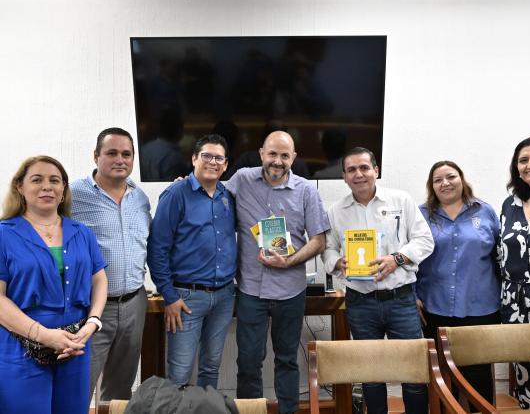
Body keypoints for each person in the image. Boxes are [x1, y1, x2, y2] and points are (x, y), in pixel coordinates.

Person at [323, 147, 434, 414]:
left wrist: (396, 258)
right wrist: (338, 262)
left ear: (376, 170)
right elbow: (328, 248)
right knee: (370, 374)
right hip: (360, 302)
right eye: (351, 170)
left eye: (364, 168)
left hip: (401, 299)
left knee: (413, 372)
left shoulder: (401, 200)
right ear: (344, 177)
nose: (358, 174)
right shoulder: (336, 211)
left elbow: (424, 240)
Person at [225, 130, 330, 414]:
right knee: (248, 361)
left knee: (287, 360)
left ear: (293, 158)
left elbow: (319, 240)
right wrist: (187, 184)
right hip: (250, 291)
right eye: (272, 154)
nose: (278, 161)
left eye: (285, 155)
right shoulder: (242, 179)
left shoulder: (307, 190)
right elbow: (210, 196)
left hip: (290, 291)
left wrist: (291, 260)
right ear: (261, 153)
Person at [0, 156, 108, 414]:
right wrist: (43, 335)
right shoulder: (4, 234)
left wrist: (93, 322)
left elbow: (99, 278)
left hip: (75, 346)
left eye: (54, 180)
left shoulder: (82, 232)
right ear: (20, 187)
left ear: (63, 190)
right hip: (22, 347)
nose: (47, 186)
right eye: (37, 180)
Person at [147, 134, 237, 389]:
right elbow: (157, 249)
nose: (213, 162)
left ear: (226, 164)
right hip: (185, 299)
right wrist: (169, 296)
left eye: (219, 157)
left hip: (224, 296)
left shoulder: (226, 196)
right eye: (207, 156)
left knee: (211, 368)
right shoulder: (176, 194)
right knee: (179, 373)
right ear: (194, 158)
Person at [71, 127, 151, 403]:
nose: (120, 159)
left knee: (119, 389)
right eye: (112, 153)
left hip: (134, 302)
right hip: (91, 307)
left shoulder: (139, 198)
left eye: (126, 154)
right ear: (96, 156)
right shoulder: (73, 195)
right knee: (81, 384)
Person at [415, 160, 501, 403]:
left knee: (479, 375)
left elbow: (500, 256)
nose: (445, 183)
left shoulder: (485, 212)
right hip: (435, 306)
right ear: (431, 186)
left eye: (451, 177)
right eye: (437, 180)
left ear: (462, 179)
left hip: (481, 306)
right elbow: (409, 257)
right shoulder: (421, 215)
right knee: (442, 377)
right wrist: (412, 295)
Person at [500, 135, 530, 409]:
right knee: (526, 377)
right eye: (523, 160)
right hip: (515, 306)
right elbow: (500, 255)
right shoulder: (510, 205)